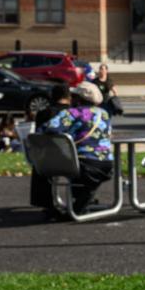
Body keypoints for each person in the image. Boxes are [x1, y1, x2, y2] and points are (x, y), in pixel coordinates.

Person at [41, 82, 115, 215]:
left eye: (73, 95)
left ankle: (76, 207)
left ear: (78, 98)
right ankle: (80, 205)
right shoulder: (104, 113)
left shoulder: (73, 113)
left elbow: (49, 128)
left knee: (68, 167)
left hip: (83, 164)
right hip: (106, 164)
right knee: (86, 183)